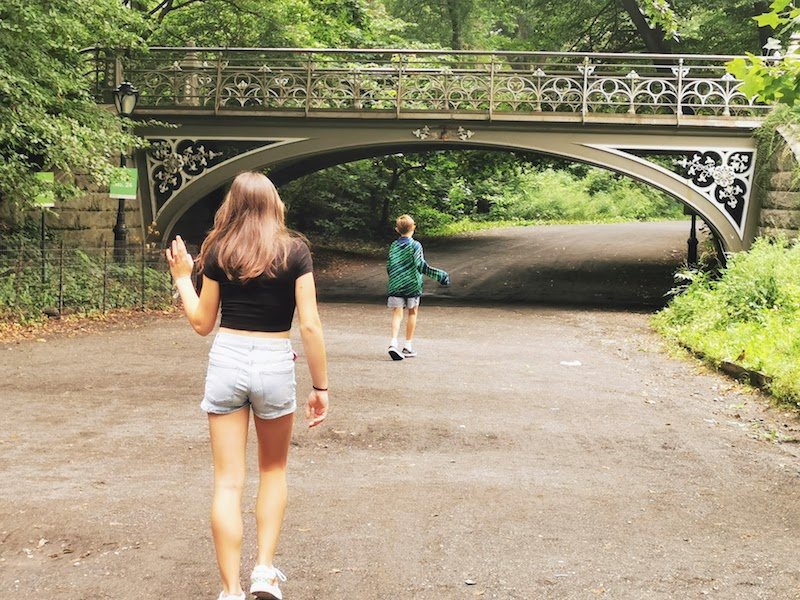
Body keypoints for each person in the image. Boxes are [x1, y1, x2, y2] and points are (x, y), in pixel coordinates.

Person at [165, 171, 329, 600]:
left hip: (228, 357)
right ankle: (263, 572)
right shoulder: (295, 251)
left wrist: (183, 277)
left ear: (232, 205)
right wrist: (321, 387)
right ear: (275, 204)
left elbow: (203, 323)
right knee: (273, 470)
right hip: (274, 360)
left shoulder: (219, 250)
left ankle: (230, 590)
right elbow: (310, 325)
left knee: (227, 481)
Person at [386, 214, 450, 360]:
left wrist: (394, 279)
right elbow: (421, 265)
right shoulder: (415, 245)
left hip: (396, 285)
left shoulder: (394, 246)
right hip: (412, 286)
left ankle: (393, 343)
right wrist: (440, 276)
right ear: (413, 227)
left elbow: (389, 265)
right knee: (412, 313)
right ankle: (407, 346)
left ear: (397, 229)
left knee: (397, 314)